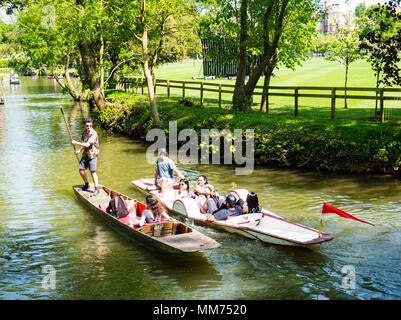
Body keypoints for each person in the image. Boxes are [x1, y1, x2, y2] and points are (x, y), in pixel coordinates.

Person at [71, 117, 100, 197]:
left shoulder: (94, 133)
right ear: (85, 126)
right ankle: (87, 184)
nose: (89, 127)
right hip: (86, 153)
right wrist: (79, 150)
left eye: (90, 125)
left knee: (92, 172)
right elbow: (84, 144)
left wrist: (75, 142)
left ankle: (97, 189)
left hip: (93, 154)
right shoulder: (84, 133)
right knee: (81, 170)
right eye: (87, 125)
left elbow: (87, 144)